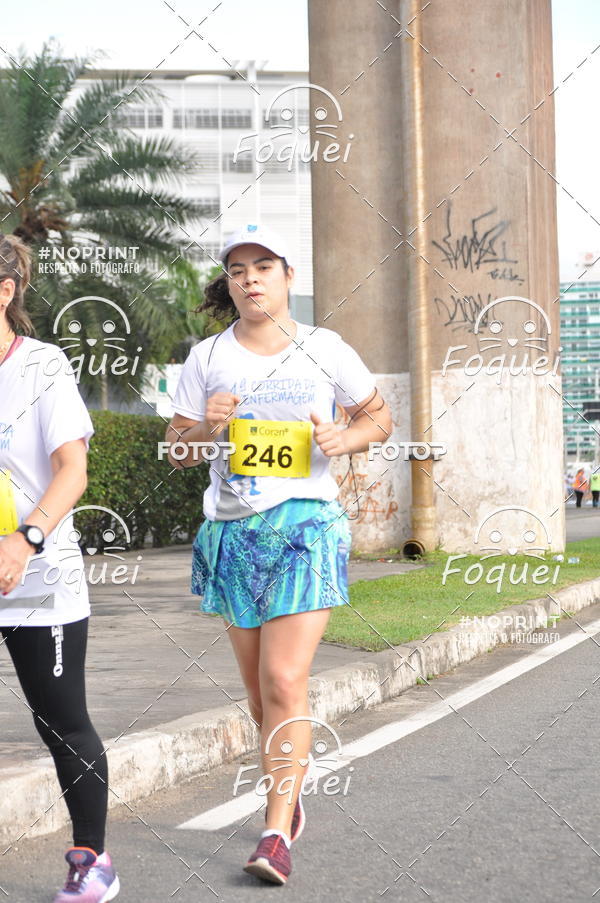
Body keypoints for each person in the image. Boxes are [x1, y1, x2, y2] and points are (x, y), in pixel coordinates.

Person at [166, 223, 393, 885]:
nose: (251, 278)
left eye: (264, 265)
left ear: (289, 275)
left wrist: (340, 437)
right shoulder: (207, 357)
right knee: (260, 692)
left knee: (285, 680)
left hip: (307, 527)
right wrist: (208, 425)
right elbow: (179, 451)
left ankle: (274, 831)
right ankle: (289, 799)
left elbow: (379, 417)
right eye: (238, 269)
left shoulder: (325, 349)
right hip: (232, 537)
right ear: (228, 282)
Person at [0, 234, 119, 902]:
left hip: (39, 579)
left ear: (6, 290)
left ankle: (92, 858)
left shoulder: (42, 367)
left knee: (62, 722)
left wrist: (26, 539)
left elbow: (72, 470)